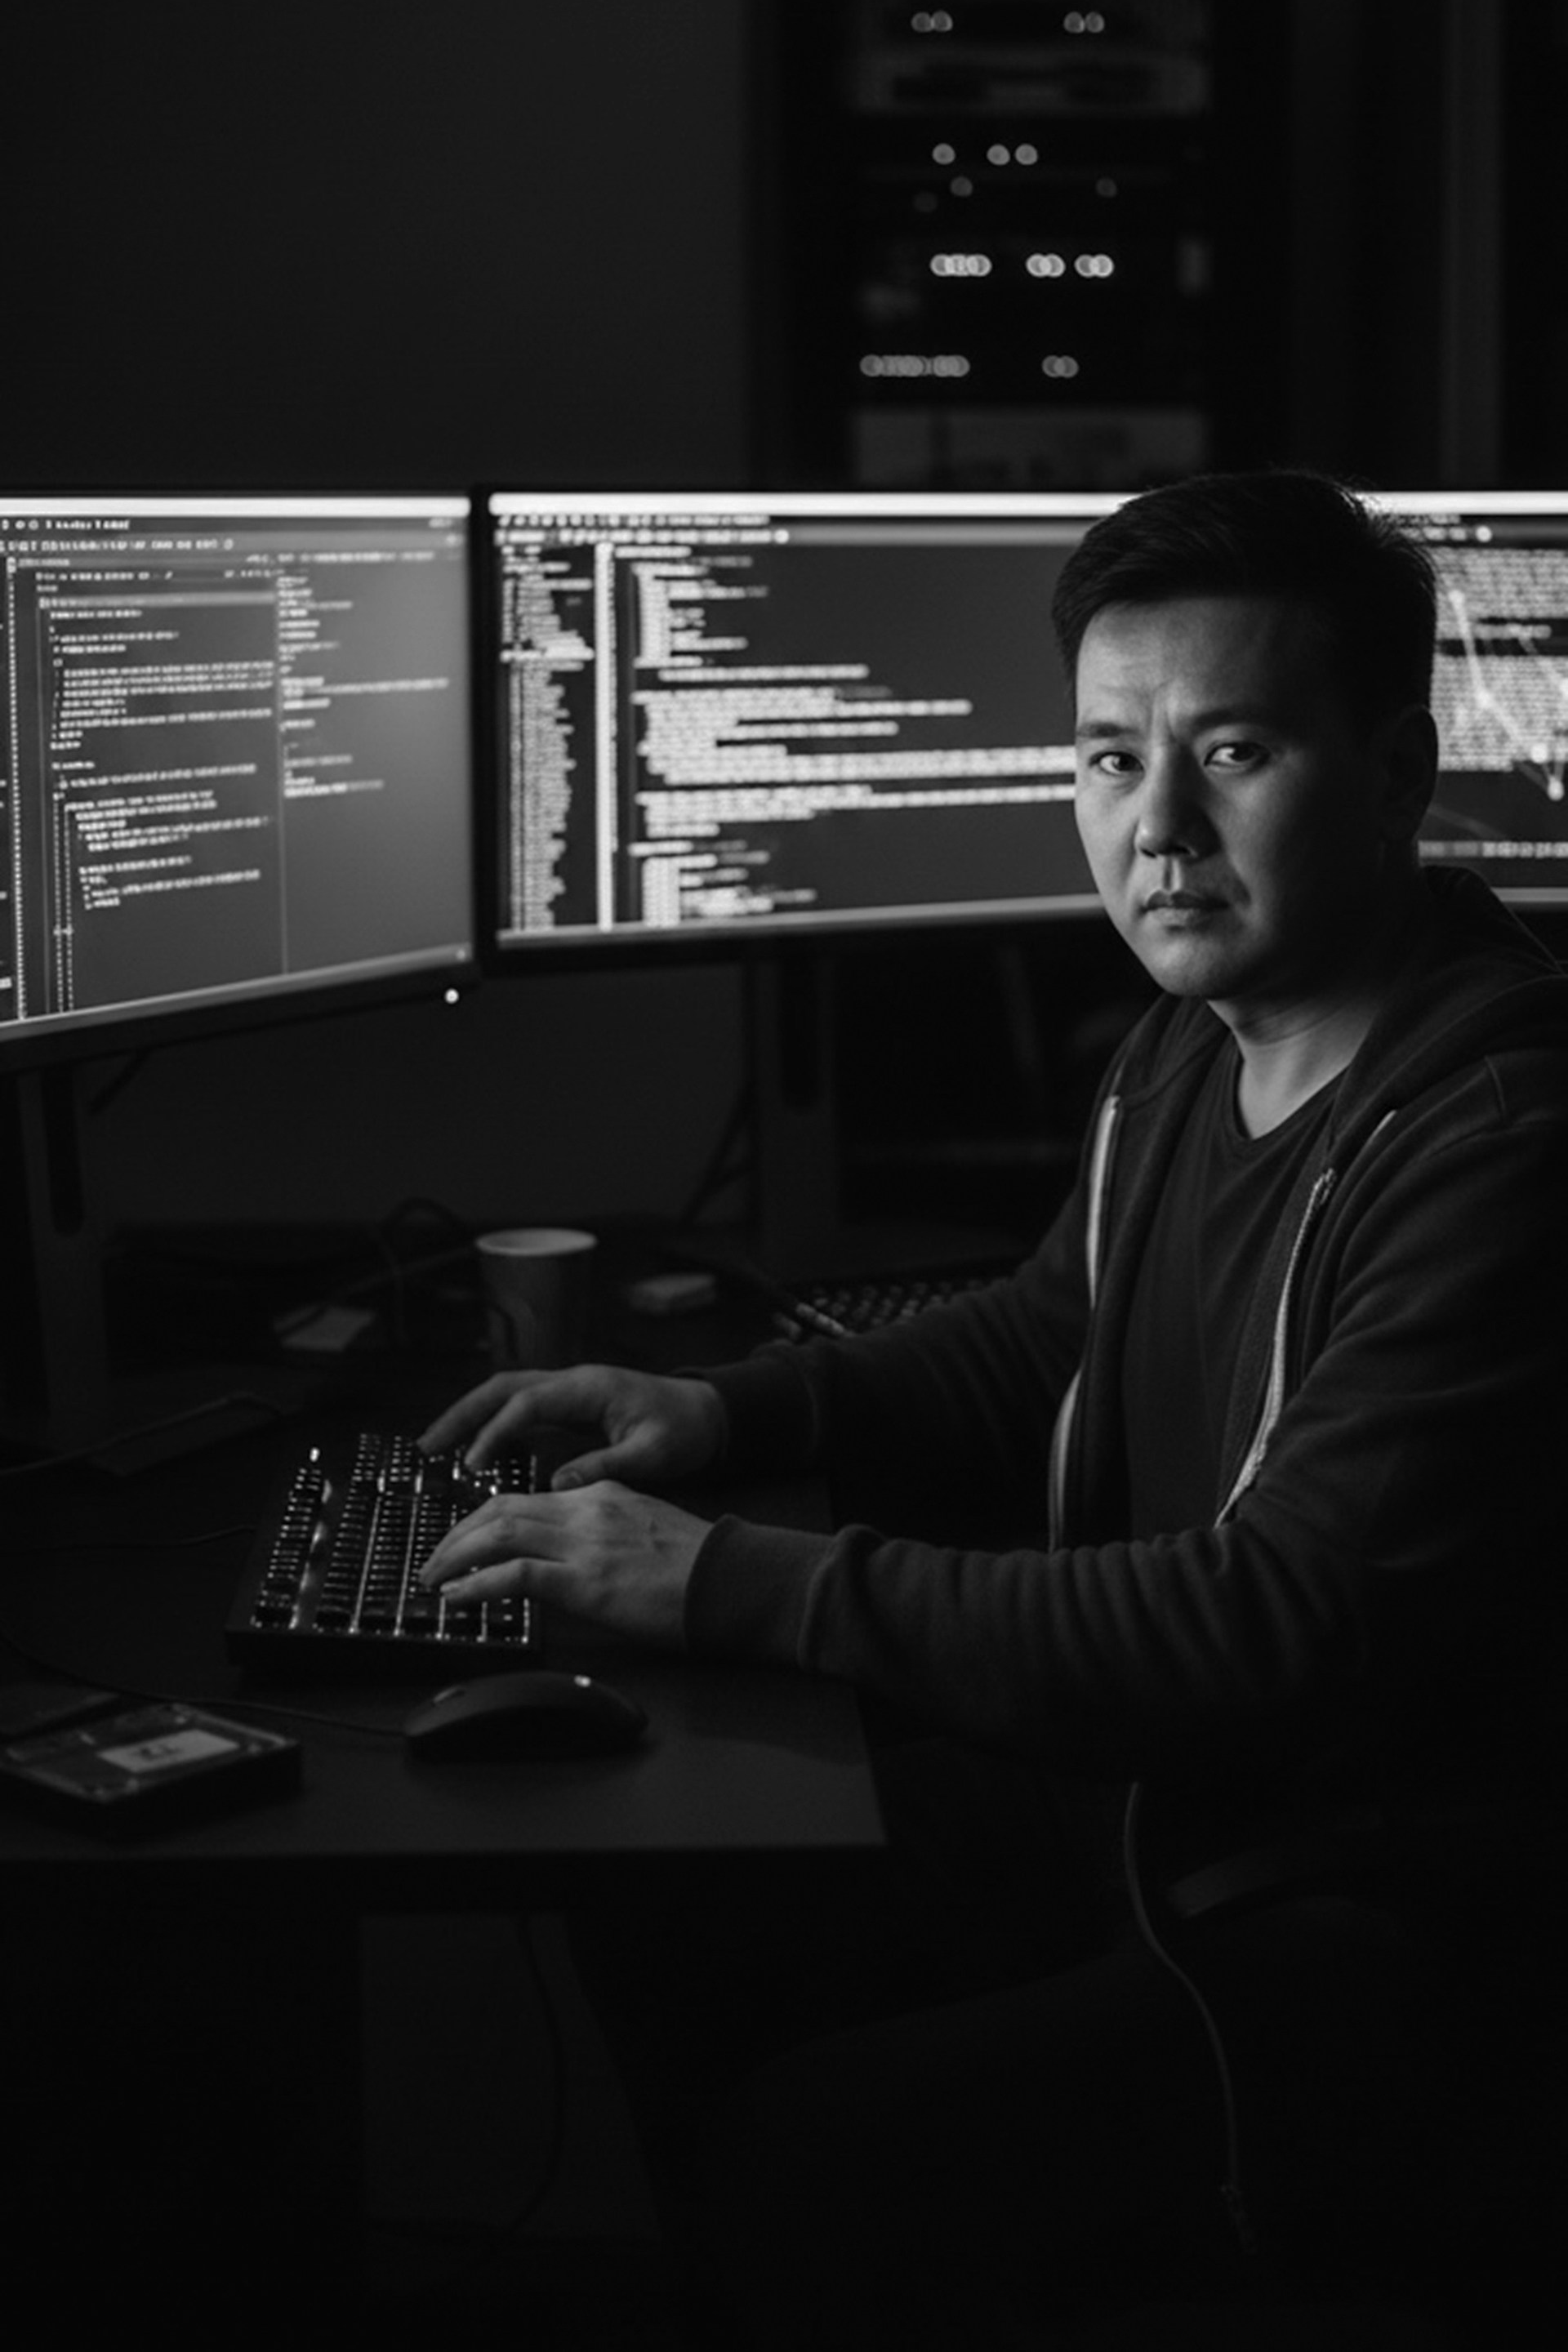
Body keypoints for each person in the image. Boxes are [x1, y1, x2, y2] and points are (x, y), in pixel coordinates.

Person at [419, 472, 1568, 2347]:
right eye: (1110, 758)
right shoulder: (1198, 1039)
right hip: (1167, 1817)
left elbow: (1268, 1619)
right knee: (660, 1884)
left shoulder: (1498, 1138)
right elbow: (1057, 1323)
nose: (1158, 827)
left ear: (1397, 767)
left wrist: (731, 1579)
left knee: (814, 2158)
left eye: (1236, 749)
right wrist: (715, 1415)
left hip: (1361, 1937)